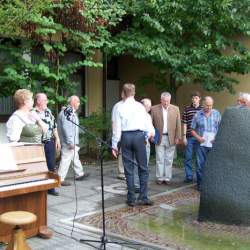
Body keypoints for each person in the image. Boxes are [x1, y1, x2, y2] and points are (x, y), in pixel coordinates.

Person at [112, 83, 154, 207]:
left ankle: (131, 198)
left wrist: (115, 145)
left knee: (128, 169)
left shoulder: (119, 107)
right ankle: (144, 196)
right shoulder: (140, 107)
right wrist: (148, 135)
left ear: (123, 93)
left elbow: (117, 129)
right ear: (134, 93)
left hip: (125, 137)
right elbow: (148, 125)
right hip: (139, 136)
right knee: (143, 168)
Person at [57, 96, 89, 186]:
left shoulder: (70, 112)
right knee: (66, 158)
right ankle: (60, 178)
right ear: (72, 102)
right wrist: (70, 142)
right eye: (78, 102)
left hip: (71, 140)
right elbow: (67, 128)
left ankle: (79, 174)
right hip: (68, 141)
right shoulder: (67, 112)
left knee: (75, 157)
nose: (79, 104)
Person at [191, 96, 221, 191]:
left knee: (212, 165)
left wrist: (217, 138)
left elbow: (221, 128)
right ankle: (200, 184)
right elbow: (192, 129)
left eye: (211, 105)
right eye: (207, 105)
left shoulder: (217, 114)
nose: (209, 107)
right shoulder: (197, 115)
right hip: (201, 144)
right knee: (200, 165)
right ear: (203, 104)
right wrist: (198, 138)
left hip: (213, 144)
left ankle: (211, 184)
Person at [151, 92, 181, 185]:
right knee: (159, 158)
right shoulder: (154, 109)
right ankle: (160, 177)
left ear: (170, 100)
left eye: (167, 101)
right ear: (161, 100)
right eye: (164, 101)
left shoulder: (176, 109)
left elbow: (178, 124)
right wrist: (151, 135)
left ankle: (167, 178)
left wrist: (177, 137)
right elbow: (150, 124)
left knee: (169, 159)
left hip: (171, 137)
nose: (165, 103)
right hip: (159, 137)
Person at [34, 93, 61, 196]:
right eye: (45, 100)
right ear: (38, 101)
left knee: (51, 166)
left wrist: (57, 138)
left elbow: (54, 126)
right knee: (38, 167)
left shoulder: (48, 111)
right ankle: (39, 188)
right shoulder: (32, 112)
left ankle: (50, 188)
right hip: (37, 144)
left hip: (49, 142)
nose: (47, 101)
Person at [182, 91, 203, 183]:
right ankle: (189, 176)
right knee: (188, 157)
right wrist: (183, 137)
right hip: (189, 137)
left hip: (200, 138)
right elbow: (184, 123)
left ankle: (199, 177)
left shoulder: (203, 109)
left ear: (199, 99)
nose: (194, 100)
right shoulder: (187, 109)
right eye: (193, 98)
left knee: (199, 158)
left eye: (196, 98)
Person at [112, 90, 126, 180]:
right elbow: (114, 121)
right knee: (121, 153)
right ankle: (121, 172)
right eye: (123, 94)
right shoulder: (117, 106)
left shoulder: (135, 105)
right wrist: (115, 135)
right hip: (121, 132)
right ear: (122, 95)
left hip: (131, 132)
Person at [141, 98, 154, 165]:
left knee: (146, 161)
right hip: (139, 140)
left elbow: (151, 127)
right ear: (143, 106)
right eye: (148, 106)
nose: (149, 108)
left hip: (146, 141)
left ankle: (144, 173)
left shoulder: (148, 116)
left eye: (150, 106)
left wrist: (152, 134)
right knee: (138, 161)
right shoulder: (137, 115)